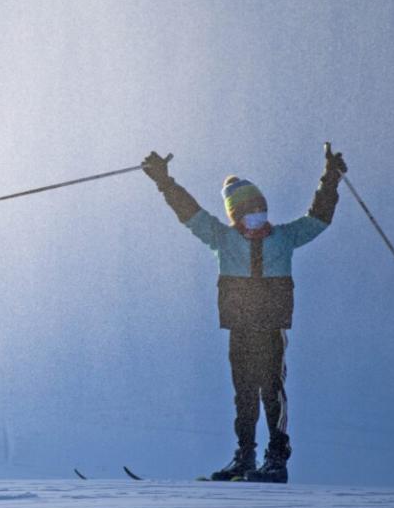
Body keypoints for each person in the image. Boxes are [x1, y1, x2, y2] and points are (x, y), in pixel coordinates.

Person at [141, 143, 346, 483]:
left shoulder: (284, 237)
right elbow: (188, 212)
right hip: (241, 325)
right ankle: (245, 455)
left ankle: (276, 458)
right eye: (250, 210)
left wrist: (331, 179)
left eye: (261, 209)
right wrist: (164, 181)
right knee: (245, 390)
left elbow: (319, 217)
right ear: (235, 216)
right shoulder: (222, 238)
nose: (258, 216)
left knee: (271, 387)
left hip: (270, 325)